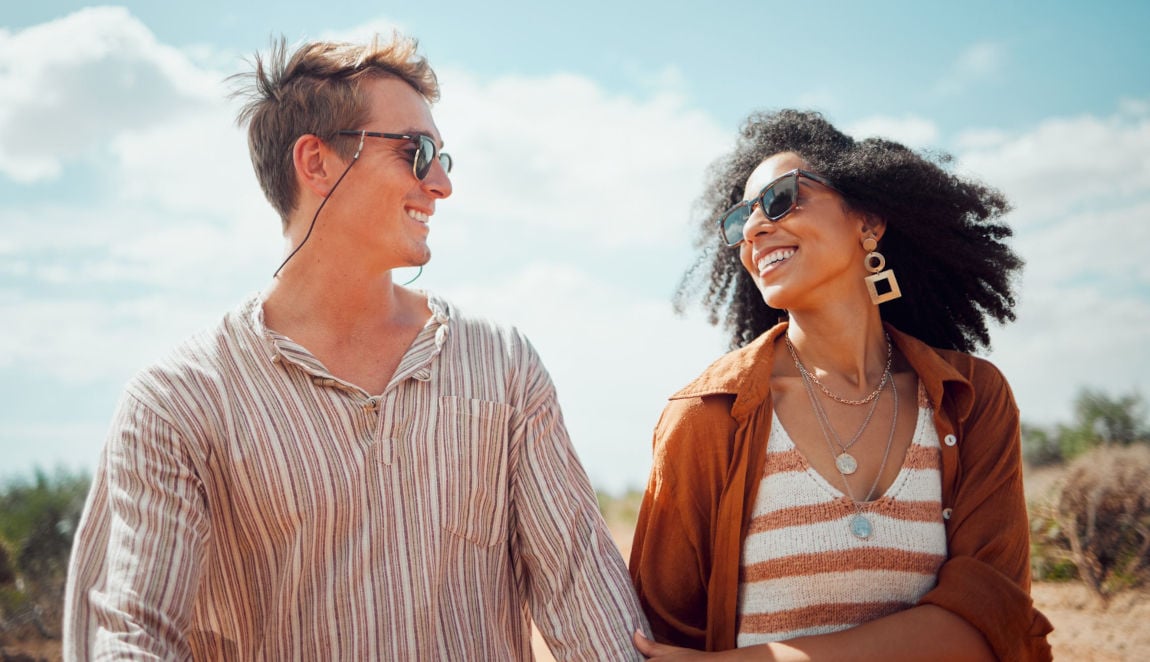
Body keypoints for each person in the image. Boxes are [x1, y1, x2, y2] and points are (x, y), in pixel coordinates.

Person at [63, 34, 648, 660]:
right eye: (418, 152)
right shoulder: (178, 402)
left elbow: (589, 604)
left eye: (445, 157)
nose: (443, 184)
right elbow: (132, 639)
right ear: (316, 163)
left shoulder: (503, 367)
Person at [628, 110, 1053, 660]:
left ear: (867, 223)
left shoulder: (971, 398)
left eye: (782, 198)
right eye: (740, 221)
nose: (755, 228)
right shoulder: (707, 416)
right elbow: (662, 638)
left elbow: (984, 623)